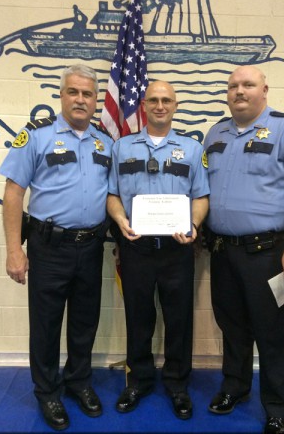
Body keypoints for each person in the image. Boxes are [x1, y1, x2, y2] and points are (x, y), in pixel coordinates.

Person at [203, 66, 284, 434]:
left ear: (264, 90)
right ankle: (235, 388)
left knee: (273, 332)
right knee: (232, 327)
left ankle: (277, 406)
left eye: (247, 85)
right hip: (223, 251)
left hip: (271, 253)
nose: (239, 91)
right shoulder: (216, 133)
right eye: (233, 86)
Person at [0, 64, 113, 431]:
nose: (81, 99)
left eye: (88, 94)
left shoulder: (104, 142)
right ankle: (47, 391)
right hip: (49, 246)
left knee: (84, 321)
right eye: (73, 92)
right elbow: (13, 193)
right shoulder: (36, 136)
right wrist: (14, 249)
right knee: (46, 324)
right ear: (61, 95)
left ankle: (78, 381)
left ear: (96, 100)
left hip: (91, 244)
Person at [107, 80, 209, 420]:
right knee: (138, 317)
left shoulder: (192, 149)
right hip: (136, 246)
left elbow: (201, 197)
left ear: (175, 106)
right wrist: (120, 220)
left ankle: (178, 384)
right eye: (153, 100)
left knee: (178, 318)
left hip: (176, 250)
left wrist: (193, 225)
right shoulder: (121, 148)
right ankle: (138, 380)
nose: (160, 105)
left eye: (166, 100)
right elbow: (112, 194)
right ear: (144, 106)